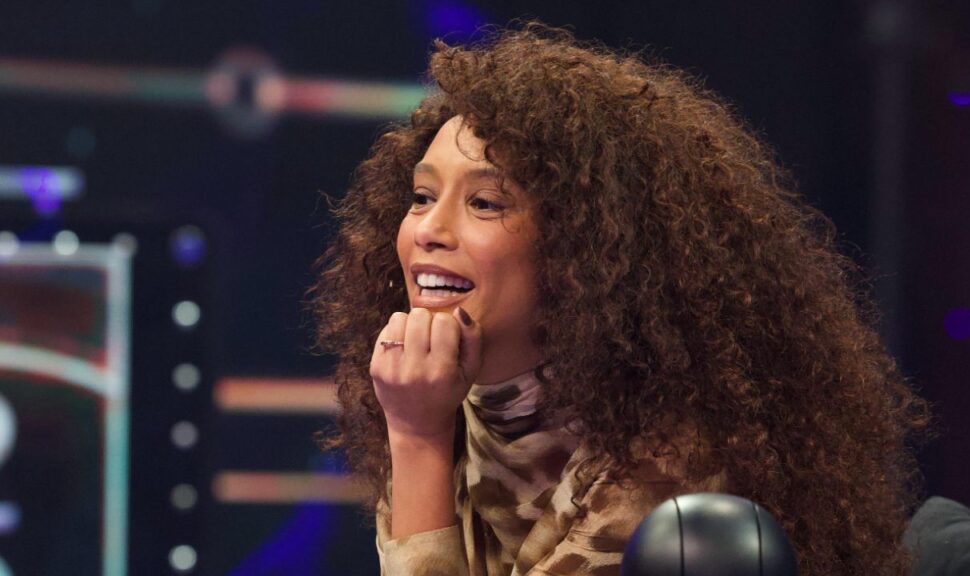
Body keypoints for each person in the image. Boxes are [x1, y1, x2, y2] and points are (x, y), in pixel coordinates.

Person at [313, 22, 929, 576]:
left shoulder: (667, 463)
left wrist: (417, 440)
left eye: (485, 202)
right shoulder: (433, 395)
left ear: (582, 248)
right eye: (421, 197)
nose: (428, 230)